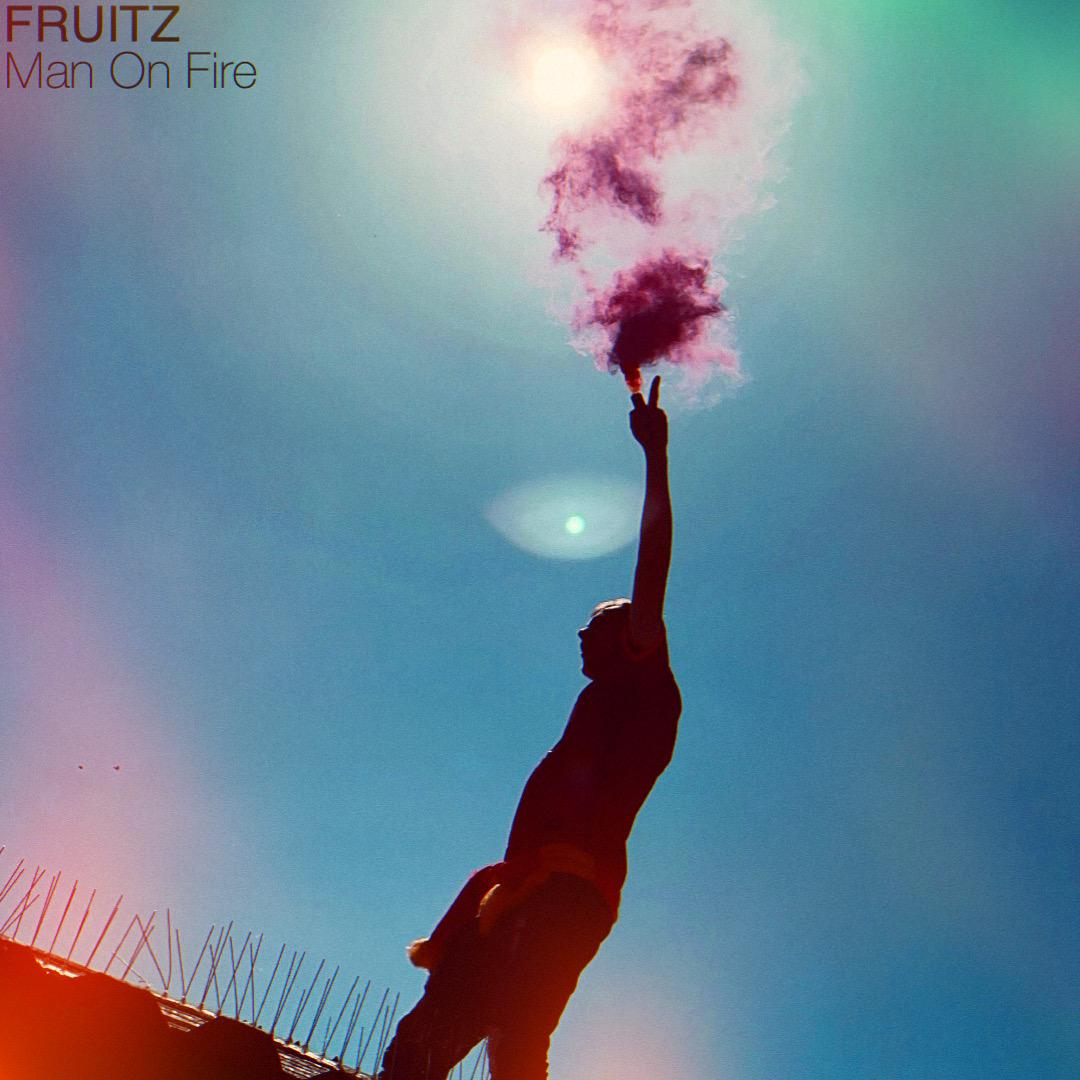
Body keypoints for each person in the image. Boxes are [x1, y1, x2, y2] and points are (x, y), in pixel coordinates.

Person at [379, 376, 682, 1080]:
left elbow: (653, 567)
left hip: (565, 896)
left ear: (632, 635)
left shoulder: (644, 686)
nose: (581, 632)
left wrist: (655, 457)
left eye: (595, 624)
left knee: (517, 1040)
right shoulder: (603, 701)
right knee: (422, 1042)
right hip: (518, 893)